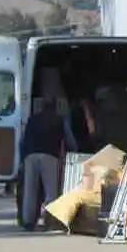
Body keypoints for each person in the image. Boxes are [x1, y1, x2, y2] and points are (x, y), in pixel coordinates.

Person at [19, 97, 77, 231]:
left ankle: (28, 221)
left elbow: (23, 140)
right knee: (51, 191)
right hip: (49, 156)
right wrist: (74, 150)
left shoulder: (33, 119)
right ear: (55, 107)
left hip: (31, 156)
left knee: (30, 189)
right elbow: (69, 139)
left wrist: (22, 159)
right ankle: (49, 219)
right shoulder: (60, 120)